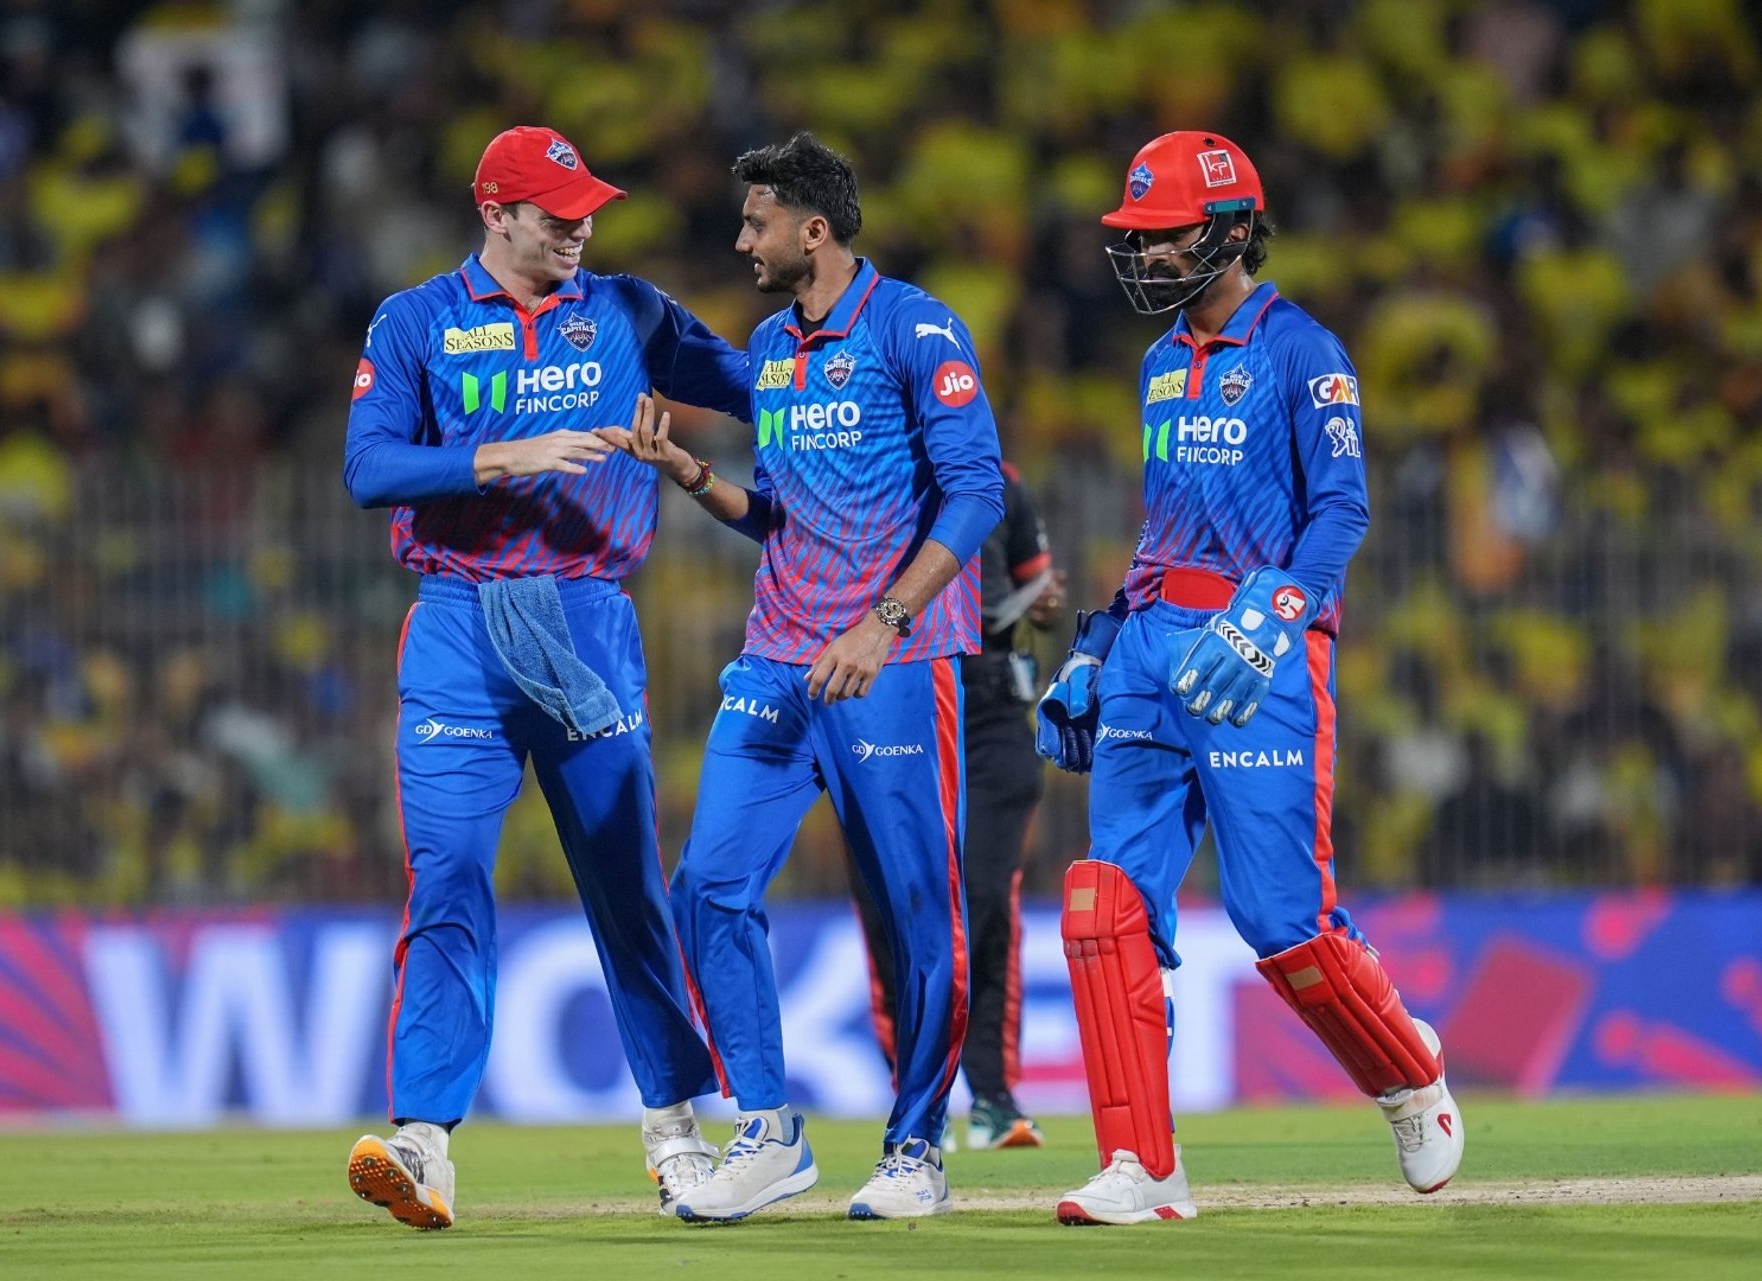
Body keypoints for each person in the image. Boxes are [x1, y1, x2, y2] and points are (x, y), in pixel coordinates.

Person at [1033, 131, 1465, 1225]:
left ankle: (1409, 1078)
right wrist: (1098, 641)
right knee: (1103, 904)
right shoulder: (1157, 364)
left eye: (1167, 235)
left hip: (1256, 650)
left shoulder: (1304, 351)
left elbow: (1342, 512)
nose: (1148, 255)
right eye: (1138, 237)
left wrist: (1269, 619)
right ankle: (1143, 1167)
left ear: (1231, 232)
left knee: (1281, 919)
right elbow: (1162, 529)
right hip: (1152, 647)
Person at [339, 125, 752, 1230]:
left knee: (627, 885)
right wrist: (499, 457)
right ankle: (424, 1144)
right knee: (447, 878)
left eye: (587, 212)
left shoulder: (631, 312)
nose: (579, 229)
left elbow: (762, 390)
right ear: (496, 214)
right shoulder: (416, 320)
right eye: (556, 214)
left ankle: (676, 1134)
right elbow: (368, 468)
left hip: (585, 622)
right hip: (460, 627)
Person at [597, 131, 1004, 1222]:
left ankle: (916, 1149)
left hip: (893, 661)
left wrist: (883, 623)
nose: (742, 241)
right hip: (778, 656)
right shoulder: (773, 345)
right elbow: (780, 513)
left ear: (813, 230)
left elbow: (976, 493)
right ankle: (770, 1129)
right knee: (706, 884)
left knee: (917, 910)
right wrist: (695, 477)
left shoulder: (916, 327)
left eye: (757, 222)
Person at [848, 463, 1063, 1151]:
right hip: (891, 696)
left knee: (987, 897)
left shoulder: (1004, 481)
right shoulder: (862, 468)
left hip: (989, 705)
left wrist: (1043, 603)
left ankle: (993, 1094)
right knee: (892, 898)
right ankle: (915, 1093)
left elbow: (1040, 589)